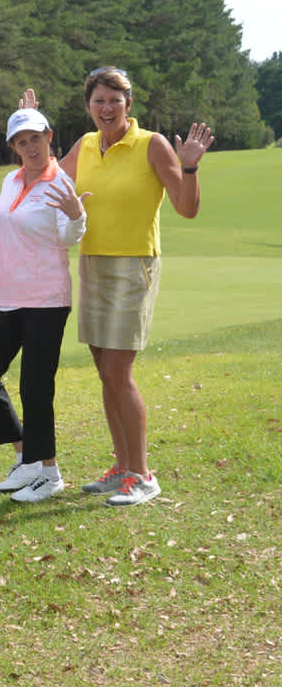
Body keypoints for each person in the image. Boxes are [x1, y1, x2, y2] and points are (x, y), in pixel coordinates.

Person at [57, 66, 213, 506]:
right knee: (104, 372)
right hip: (92, 264)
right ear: (88, 106)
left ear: (129, 104)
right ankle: (122, 467)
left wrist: (190, 167)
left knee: (116, 373)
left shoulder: (152, 145)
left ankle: (142, 474)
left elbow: (186, 208)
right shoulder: (85, 145)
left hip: (134, 267)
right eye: (99, 100)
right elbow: (47, 179)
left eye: (115, 100)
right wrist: (31, 128)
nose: (107, 108)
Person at [0, 98, 88, 502]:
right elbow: (5, 235)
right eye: (21, 142)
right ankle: (28, 460)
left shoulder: (59, 183)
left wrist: (76, 216)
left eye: (36, 138)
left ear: (49, 138)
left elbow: (67, 239)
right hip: (10, 298)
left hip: (47, 300)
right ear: (14, 147)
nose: (30, 147)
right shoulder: (11, 182)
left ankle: (50, 474)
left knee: (36, 388)